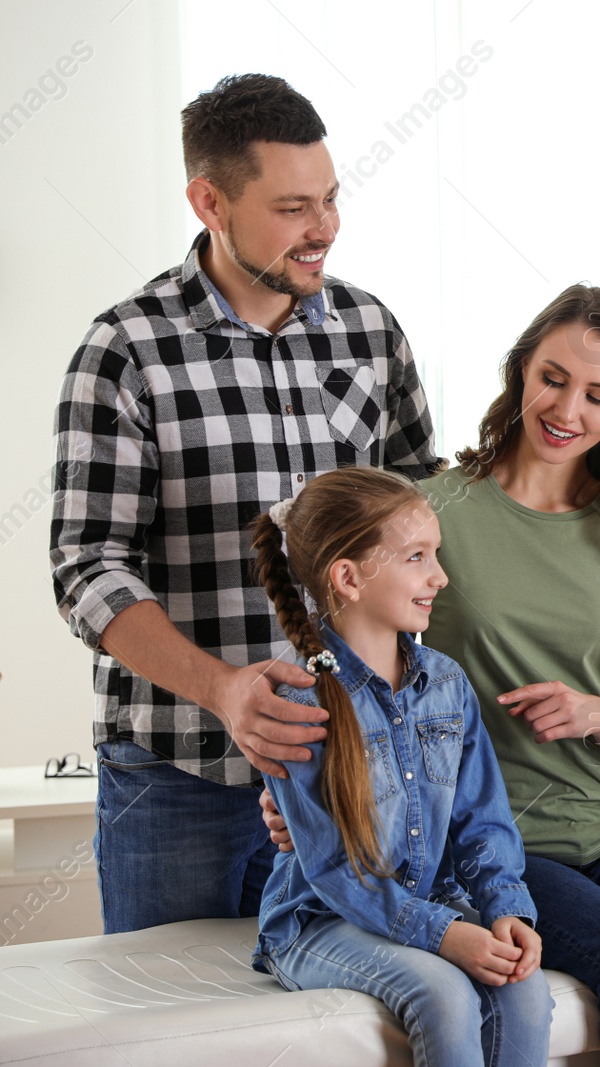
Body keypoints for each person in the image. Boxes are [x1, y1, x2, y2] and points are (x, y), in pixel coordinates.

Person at [265, 284, 600, 1066]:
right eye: (553, 377)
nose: (568, 407)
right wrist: (308, 784)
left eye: (599, 394)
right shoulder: (430, 513)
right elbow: (344, 620)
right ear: (520, 372)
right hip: (498, 839)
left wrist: (595, 716)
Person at [50, 73, 439, 934]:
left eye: (331, 199)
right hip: (177, 781)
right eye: (294, 207)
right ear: (209, 201)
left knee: (339, 1032)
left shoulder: (372, 333)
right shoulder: (126, 350)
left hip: (351, 764)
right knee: (175, 1033)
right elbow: (86, 565)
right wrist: (224, 690)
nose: (325, 228)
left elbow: (432, 507)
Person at [251, 466, 553, 1067]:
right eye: (417, 557)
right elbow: (334, 869)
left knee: (525, 990)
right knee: (443, 995)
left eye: (435, 555)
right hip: (319, 919)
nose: (440, 576)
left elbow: (482, 821)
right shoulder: (296, 700)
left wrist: (505, 910)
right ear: (349, 577)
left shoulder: (446, 682)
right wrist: (445, 935)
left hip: (430, 899)